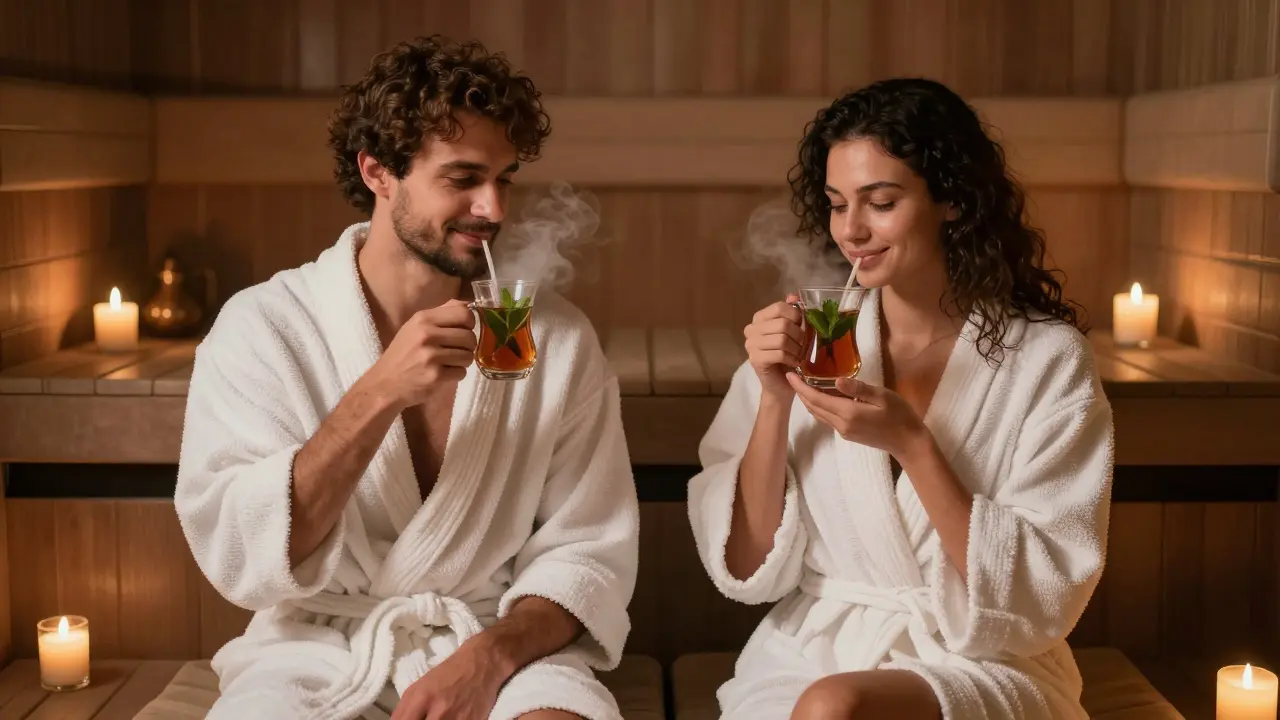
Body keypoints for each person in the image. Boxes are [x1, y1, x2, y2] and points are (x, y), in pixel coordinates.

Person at [172, 36, 639, 720]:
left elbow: (588, 554)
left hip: (495, 636)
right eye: (462, 178)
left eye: (504, 178)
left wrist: (488, 659)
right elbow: (243, 554)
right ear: (378, 172)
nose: (494, 208)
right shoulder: (264, 328)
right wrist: (377, 393)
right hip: (315, 646)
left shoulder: (555, 339)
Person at [687, 78, 1115, 720]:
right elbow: (747, 568)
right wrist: (774, 400)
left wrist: (912, 444)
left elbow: (1039, 600)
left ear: (952, 199)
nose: (852, 231)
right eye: (836, 205)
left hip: (982, 659)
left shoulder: (1045, 361)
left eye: (881, 202)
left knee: (834, 707)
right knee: (820, 701)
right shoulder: (815, 342)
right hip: (815, 651)